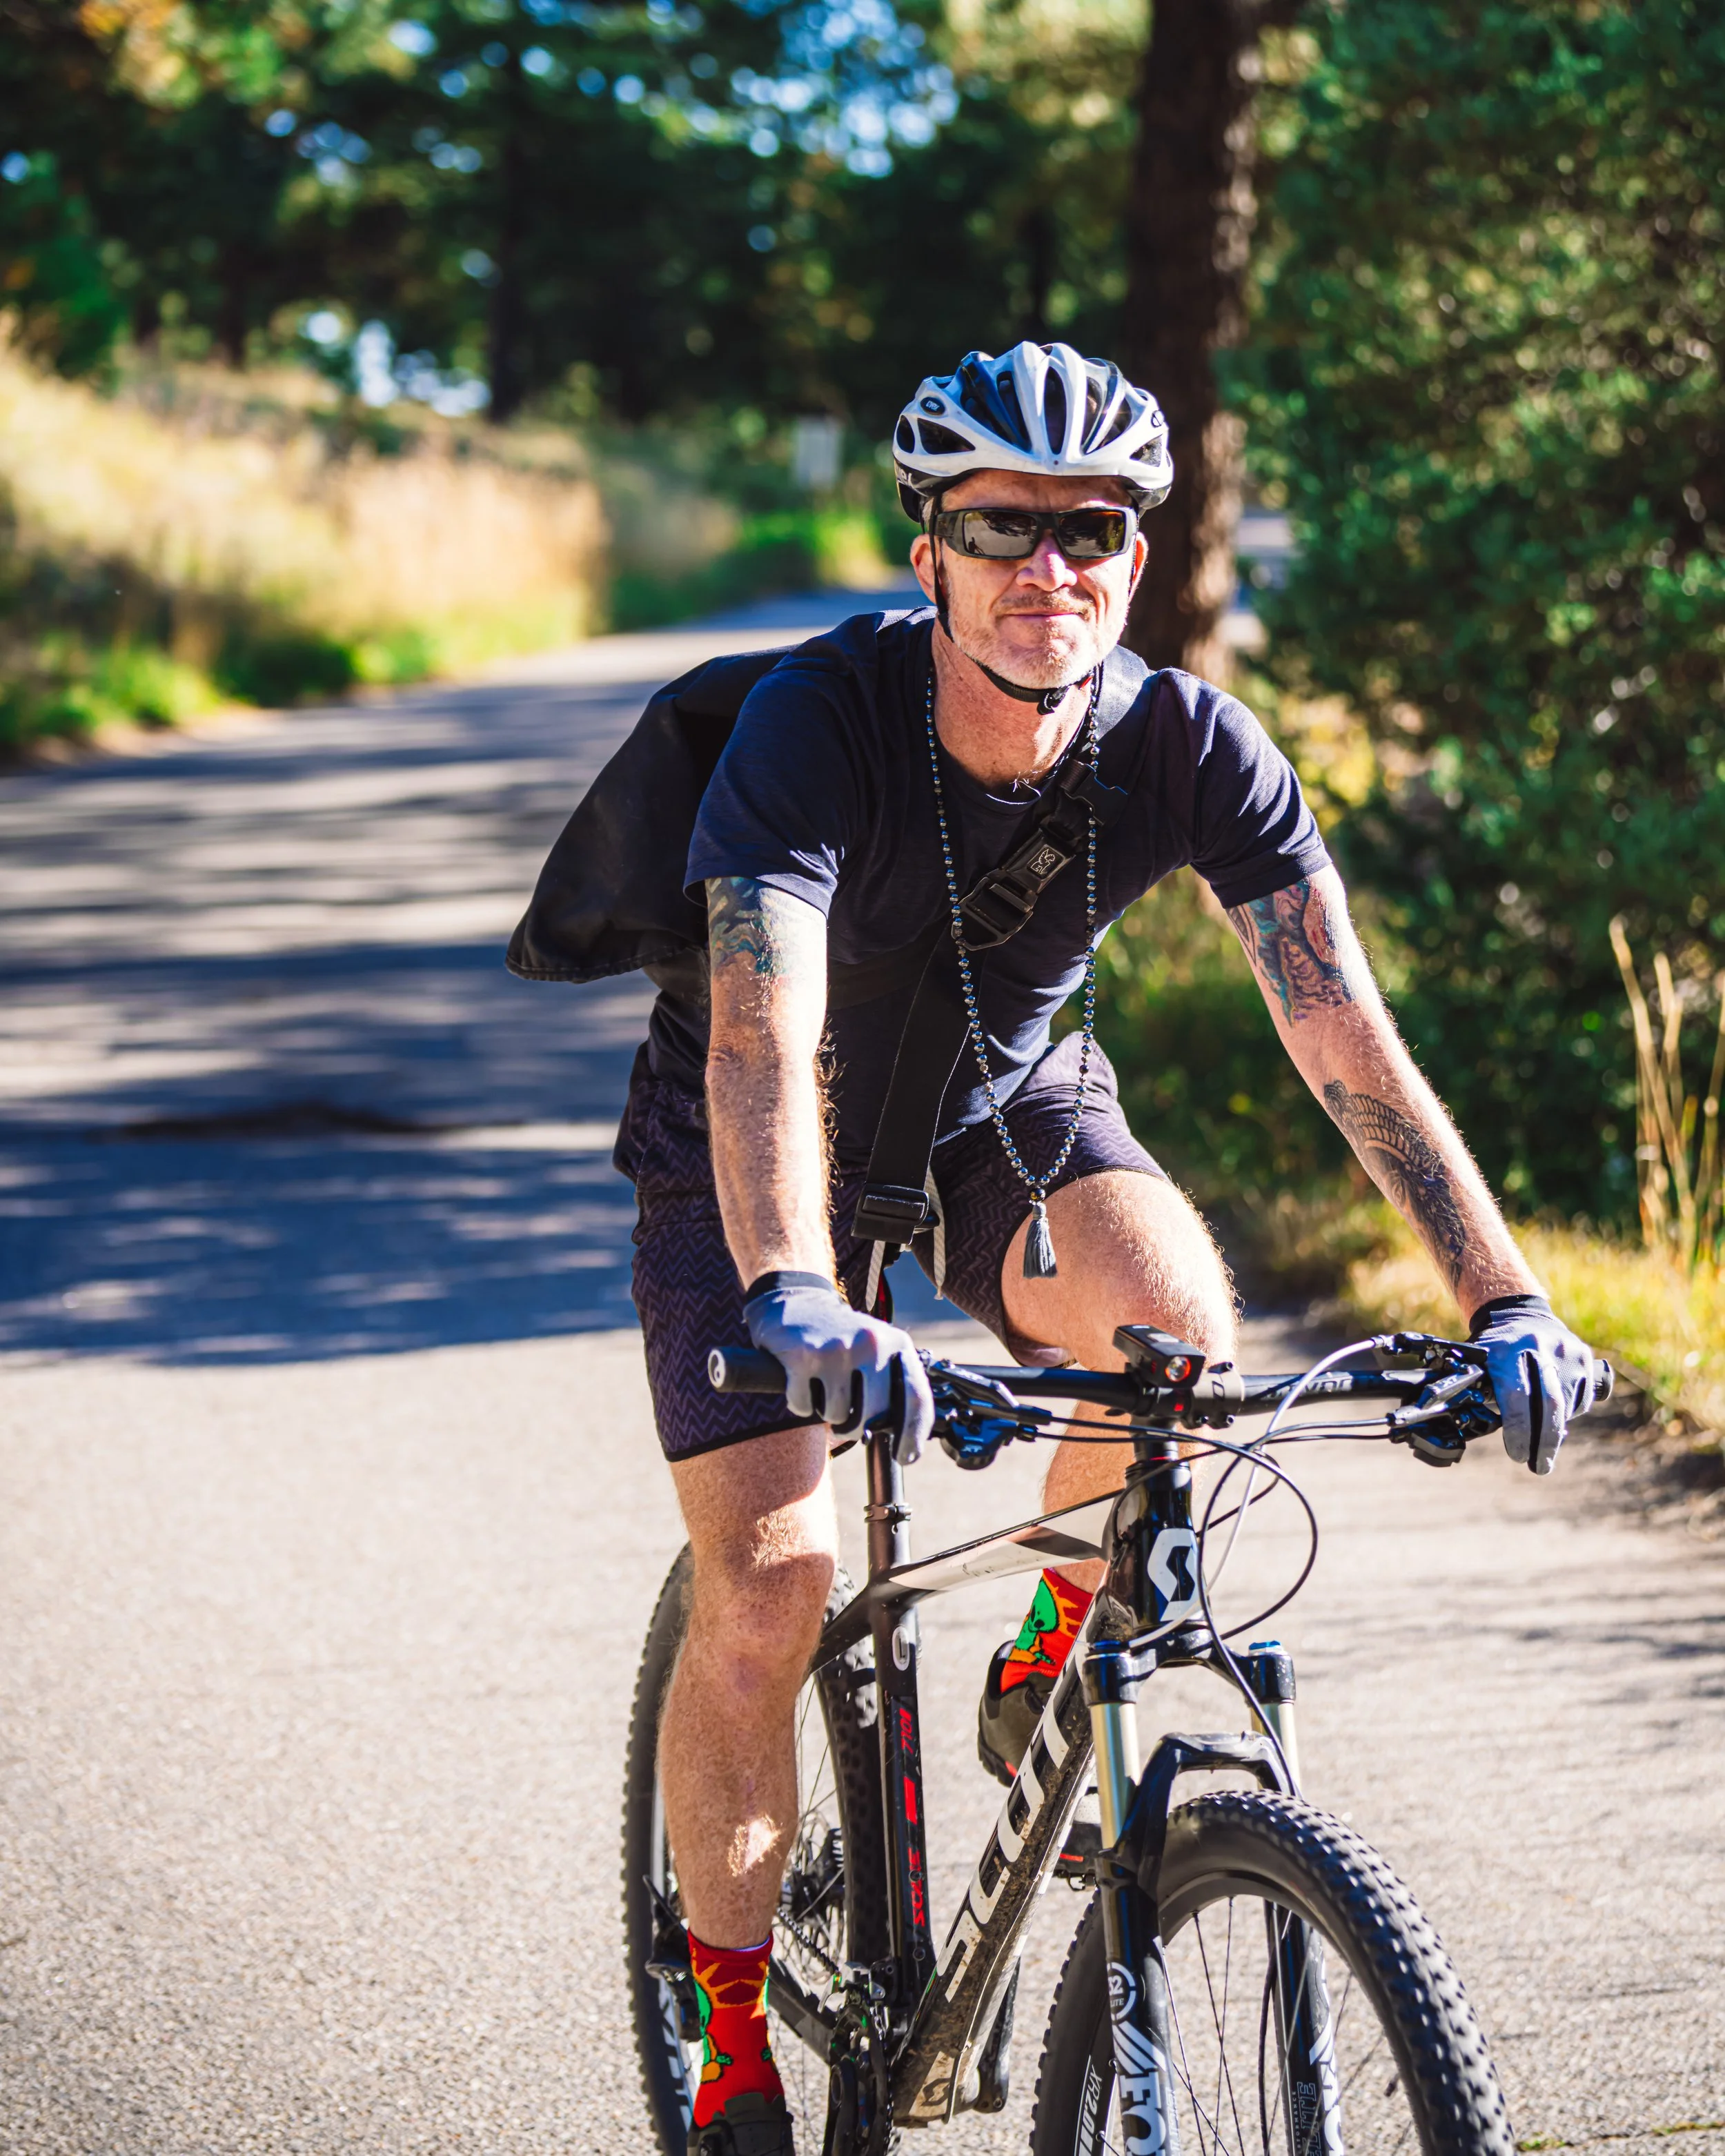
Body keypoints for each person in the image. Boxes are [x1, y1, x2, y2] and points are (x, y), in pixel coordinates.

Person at [614, 340, 1597, 2156]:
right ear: (929, 549)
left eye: (1087, 528)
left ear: (1133, 556)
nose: (1043, 566)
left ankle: (1050, 1658)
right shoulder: (816, 726)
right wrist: (796, 1288)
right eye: (1000, 524)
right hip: (755, 1147)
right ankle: (732, 2036)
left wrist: (1502, 1294)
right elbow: (758, 1033)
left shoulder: (1188, 745)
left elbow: (1340, 1035)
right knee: (771, 1579)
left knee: (1179, 1332)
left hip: (1006, 1107)